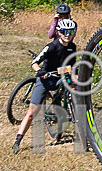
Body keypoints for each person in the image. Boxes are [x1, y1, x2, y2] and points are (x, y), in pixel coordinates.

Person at [12, 18, 77, 153]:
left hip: (60, 78)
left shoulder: (72, 47)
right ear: (59, 32)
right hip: (45, 79)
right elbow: (35, 63)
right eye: (64, 31)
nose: (67, 34)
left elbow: (72, 67)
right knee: (31, 113)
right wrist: (40, 72)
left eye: (70, 32)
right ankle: (17, 141)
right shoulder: (51, 47)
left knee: (73, 91)